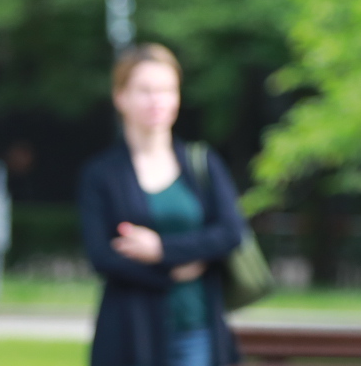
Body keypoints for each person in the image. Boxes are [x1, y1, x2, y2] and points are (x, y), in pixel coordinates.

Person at [79, 44, 248, 366]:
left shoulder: (202, 163)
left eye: (167, 90)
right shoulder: (102, 174)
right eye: (145, 90)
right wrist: (175, 271)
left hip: (197, 329)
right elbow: (102, 256)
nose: (157, 100)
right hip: (130, 332)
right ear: (121, 97)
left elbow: (230, 232)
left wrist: (160, 250)